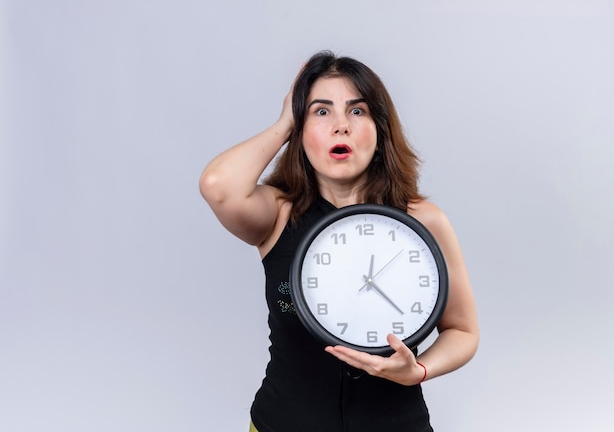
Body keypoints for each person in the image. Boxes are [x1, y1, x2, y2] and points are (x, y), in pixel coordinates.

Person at [200, 51, 479, 432]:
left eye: (357, 111)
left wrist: (419, 370)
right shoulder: (277, 213)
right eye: (321, 112)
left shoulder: (424, 220)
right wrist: (286, 120)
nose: (340, 126)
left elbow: (463, 332)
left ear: (379, 130)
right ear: (301, 130)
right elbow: (217, 185)